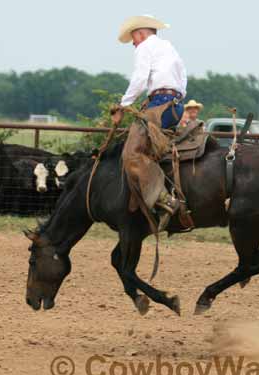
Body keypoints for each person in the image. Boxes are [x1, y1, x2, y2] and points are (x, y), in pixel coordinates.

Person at [111, 15, 187, 231]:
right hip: (175, 105)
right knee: (155, 151)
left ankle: (164, 199)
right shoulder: (169, 47)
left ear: (141, 34)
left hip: (160, 104)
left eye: (133, 38)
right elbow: (183, 78)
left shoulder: (144, 47)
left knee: (131, 152)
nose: (133, 43)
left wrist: (122, 105)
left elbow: (139, 78)